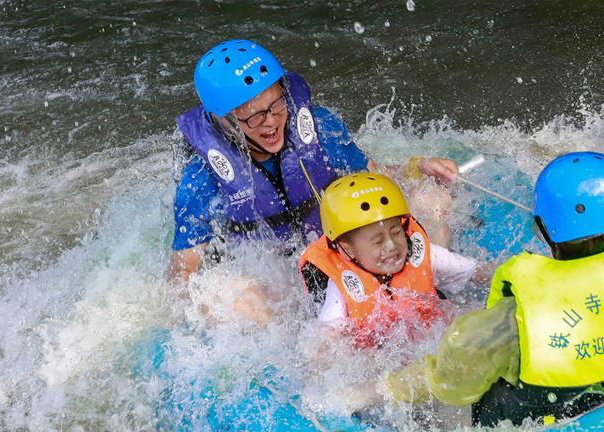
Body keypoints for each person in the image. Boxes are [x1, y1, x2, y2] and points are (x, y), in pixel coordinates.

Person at [386, 151, 604, 426]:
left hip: (539, 415)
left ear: (544, 230)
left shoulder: (517, 315)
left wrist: (384, 387)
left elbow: (451, 383)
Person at [168, 39, 459, 285]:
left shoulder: (318, 129)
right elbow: (183, 274)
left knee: (433, 200)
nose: (272, 123)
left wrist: (417, 168)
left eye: (276, 105)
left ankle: (433, 289)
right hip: (268, 276)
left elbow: (374, 174)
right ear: (227, 122)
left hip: (331, 248)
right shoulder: (200, 180)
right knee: (235, 296)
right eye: (255, 116)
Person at [298, 172, 487, 347]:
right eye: (377, 241)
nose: (391, 245)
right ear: (348, 249)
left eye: (396, 232)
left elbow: (477, 272)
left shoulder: (423, 254)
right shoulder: (342, 285)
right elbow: (327, 338)